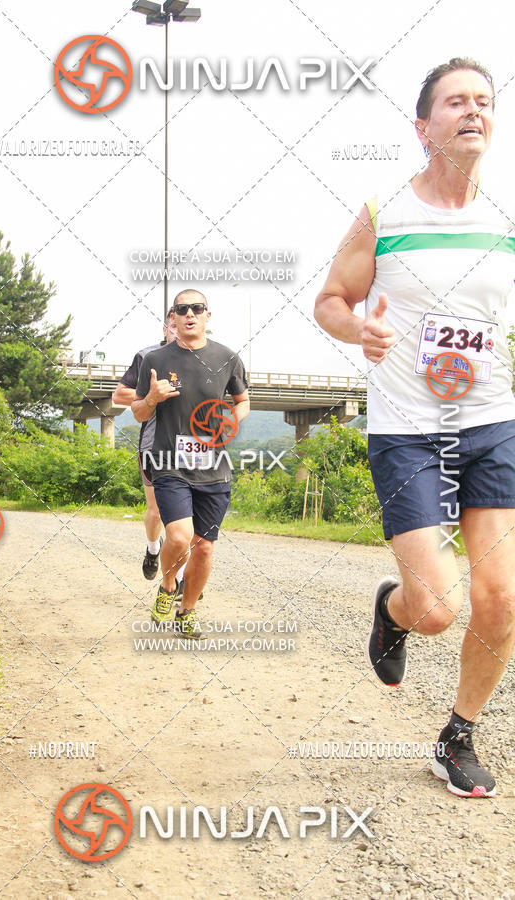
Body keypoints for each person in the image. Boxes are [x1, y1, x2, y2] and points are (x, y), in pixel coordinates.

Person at [315, 58, 515, 797]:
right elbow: (332, 298)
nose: (473, 110)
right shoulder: (385, 212)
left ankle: (457, 735)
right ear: (423, 126)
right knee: (437, 608)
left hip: (491, 422)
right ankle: (393, 609)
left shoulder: (505, 220)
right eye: (455, 101)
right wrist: (354, 331)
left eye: (485, 101)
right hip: (407, 428)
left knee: (501, 597)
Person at [131, 289, 249, 639]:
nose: (189, 314)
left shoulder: (227, 358)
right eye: (182, 309)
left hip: (213, 466)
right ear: (174, 317)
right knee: (180, 538)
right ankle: (168, 586)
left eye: (196, 308)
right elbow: (138, 411)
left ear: (207, 315)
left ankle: (188, 610)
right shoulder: (155, 360)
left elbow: (243, 402)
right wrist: (151, 397)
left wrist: (232, 420)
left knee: (205, 546)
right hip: (169, 463)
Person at [112, 308, 187, 584]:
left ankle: (180, 577)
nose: (179, 326)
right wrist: (153, 395)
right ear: (167, 325)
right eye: (173, 322)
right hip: (154, 444)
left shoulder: (201, 358)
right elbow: (119, 394)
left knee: (184, 518)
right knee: (156, 511)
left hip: (190, 446)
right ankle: (153, 549)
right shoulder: (148, 357)